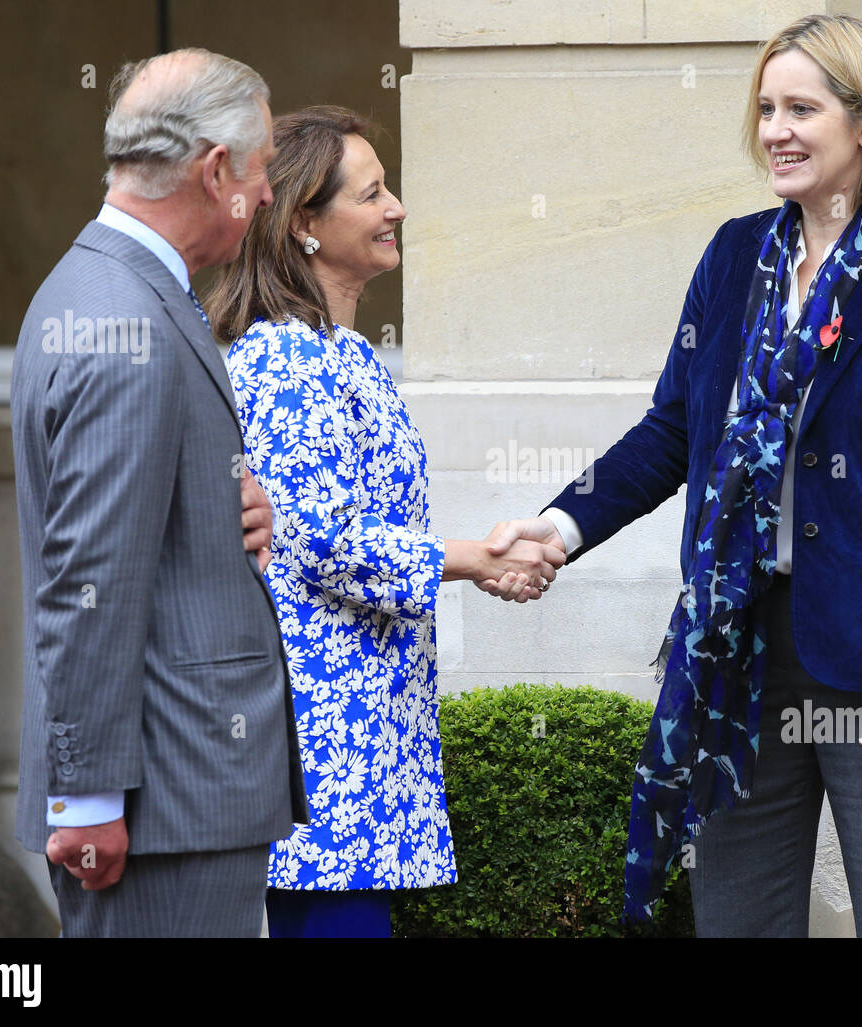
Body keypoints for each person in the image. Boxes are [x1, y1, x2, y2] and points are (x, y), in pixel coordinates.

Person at [488, 13, 862, 937]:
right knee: (738, 921)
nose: (775, 128)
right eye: (766, 108)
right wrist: (559, 527)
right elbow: (671, 432)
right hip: (733, 651)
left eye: (802, 108)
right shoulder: (736, 257)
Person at [207, 105, 564, 938]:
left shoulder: (347, 352)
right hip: (322, 747)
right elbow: (326, 539)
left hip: (371, 730)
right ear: (303, 223)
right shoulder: (284, 358)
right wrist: (477, 557)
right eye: (371, 195)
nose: (396, 207)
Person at [10, 48, 309, 937]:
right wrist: (89, 795)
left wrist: (226, 505)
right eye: (258, 174)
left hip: (177, 797)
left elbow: (130, 525)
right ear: (217, 171)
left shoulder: (113, 290)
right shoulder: (123, 317)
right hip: (160, 806)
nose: (262, 199)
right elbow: (87, 578)